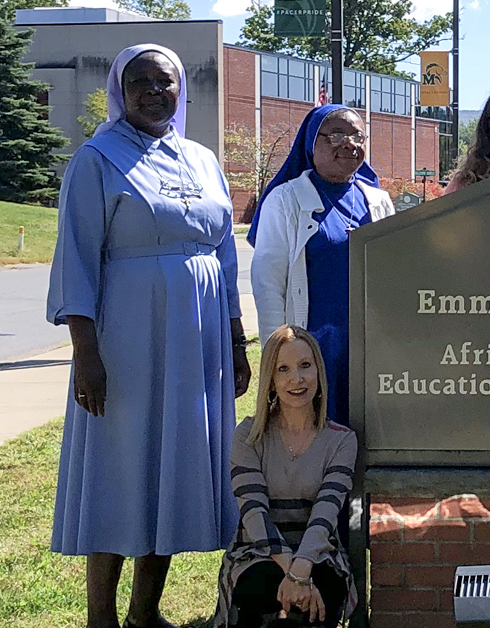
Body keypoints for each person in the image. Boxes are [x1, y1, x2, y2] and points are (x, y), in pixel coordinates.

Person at [46, 44, 251, 628]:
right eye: (141, 83)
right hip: (125, 338)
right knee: (120, 464)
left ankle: (144, 613)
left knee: (170, 462)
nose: (155, 92)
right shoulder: (96, 159)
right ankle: (101, 617)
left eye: (165, 83)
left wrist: (235, 342)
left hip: (197, 337)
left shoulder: (203, 159)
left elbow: (223, 257)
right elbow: (77, 262)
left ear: (180, 89)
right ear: (120, 90)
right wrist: (86, 354)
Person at [249, 104, 394, 427]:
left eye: (358, 135)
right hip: (313, 347)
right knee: (312, 435)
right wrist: (279, 354)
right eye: (337, 135)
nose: (349, 143)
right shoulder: (286, 199)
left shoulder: (378, 200)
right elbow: (269, 282)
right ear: (311, 143)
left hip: (369, 348)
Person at [214, 325, 358, 628]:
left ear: (319, 371)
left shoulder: (342, 441)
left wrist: (302, 569)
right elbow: (253, 513)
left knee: (322, 596)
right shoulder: (248, 436)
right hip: (257, 550)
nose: (297, 379)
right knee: (258, 588)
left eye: (306, 366)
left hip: (317, 551)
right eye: (284, 369)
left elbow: (325, 514)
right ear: (271, 380)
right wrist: (293, 573)